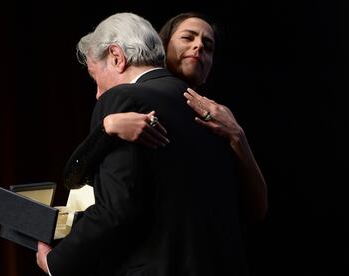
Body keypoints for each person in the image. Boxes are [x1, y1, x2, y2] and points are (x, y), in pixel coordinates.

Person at [37, 12, 251, 275]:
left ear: (117, 57)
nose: (97, 93)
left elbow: (117, 210)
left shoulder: (122, 97)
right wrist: (106, 128)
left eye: (95, 78)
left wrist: (55, 263)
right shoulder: (212, 112)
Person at [63, 12, 268, 223]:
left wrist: (237, 136)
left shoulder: (220, 118)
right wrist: (107, 126)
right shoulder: (132, 99)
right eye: (188, 37)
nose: (198, 46)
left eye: (208, 45)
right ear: (161, 48)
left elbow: (255, 207)